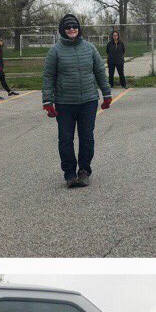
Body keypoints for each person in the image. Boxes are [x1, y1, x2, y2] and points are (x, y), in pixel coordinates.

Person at [42, 14, 112, 188]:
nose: (72, 29)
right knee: (65, 139)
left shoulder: (90, 48)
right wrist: (47, 101)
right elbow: (48, 77)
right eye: (68, 27)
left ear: (79, 29)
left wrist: (107, 94)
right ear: (62, 30)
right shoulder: (55, 51)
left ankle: (84, 171)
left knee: (87, 138)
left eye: (74, 26)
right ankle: (70, 173)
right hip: (64, 103)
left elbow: (100, 72)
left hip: (88, 101)